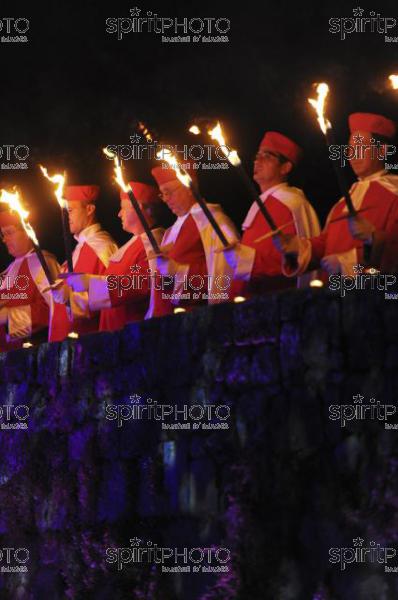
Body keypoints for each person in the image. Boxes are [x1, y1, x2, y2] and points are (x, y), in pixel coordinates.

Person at [274, 113, 398, 278]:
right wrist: (298, 248)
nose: (353, 155)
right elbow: (326, 243)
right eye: (350, 149)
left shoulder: (394, 194)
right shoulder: (342, 204)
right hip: (334, 296)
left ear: (382, 151)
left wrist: (352, 258)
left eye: (361, 148)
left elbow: (393, 248)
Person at [65, 182, 171, 331]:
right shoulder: (135, 243)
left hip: (132, 333)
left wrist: (90, 282)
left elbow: (138, 285)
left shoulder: (151, 244)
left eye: (123, 208)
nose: (119, 213)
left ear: (138, 207)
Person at [151, 164, 252, 309]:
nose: (165, 199)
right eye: (162, 194)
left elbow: (225, 271)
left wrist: (180, 271)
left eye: (168, 192)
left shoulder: (210, 220)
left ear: (189, 188)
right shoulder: (169, 233)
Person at [233, 131, 320, 298]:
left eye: (267, 156)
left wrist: (246, 261)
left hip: (277, 299)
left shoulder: (292, 204)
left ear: (285, 167)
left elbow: (292, 260)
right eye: (257, 155)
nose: (257, 160)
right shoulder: (260, 204)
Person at [49, 184, 118, 340]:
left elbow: (112, 294)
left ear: (89, 210)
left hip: (88, 344)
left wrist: (71, 299)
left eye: (71, 210)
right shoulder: (75, 252)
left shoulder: (102, 247)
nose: (67, 216)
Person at [0, 210, 60, 352]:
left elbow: (52, 310)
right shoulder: (7, 272)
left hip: (35, 350)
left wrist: (9, 316)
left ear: (27, 232)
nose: (4, 239)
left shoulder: (43, 263)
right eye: (2, 234)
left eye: (9, 233)